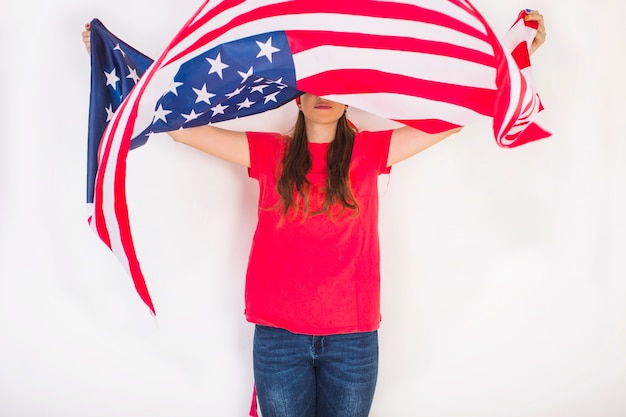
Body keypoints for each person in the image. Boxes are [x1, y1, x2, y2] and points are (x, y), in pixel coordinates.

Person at [82, 11, 546, 417]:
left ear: (349, 100)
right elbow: (181, 129)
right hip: (279, 340)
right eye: (314, 85)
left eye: (336, 85)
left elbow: (459, 113)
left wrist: (516, 53)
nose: (325, 94)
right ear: (296, 98)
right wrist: (116, 60)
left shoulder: (371, 150)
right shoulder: (271, 154)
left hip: (353, 341)